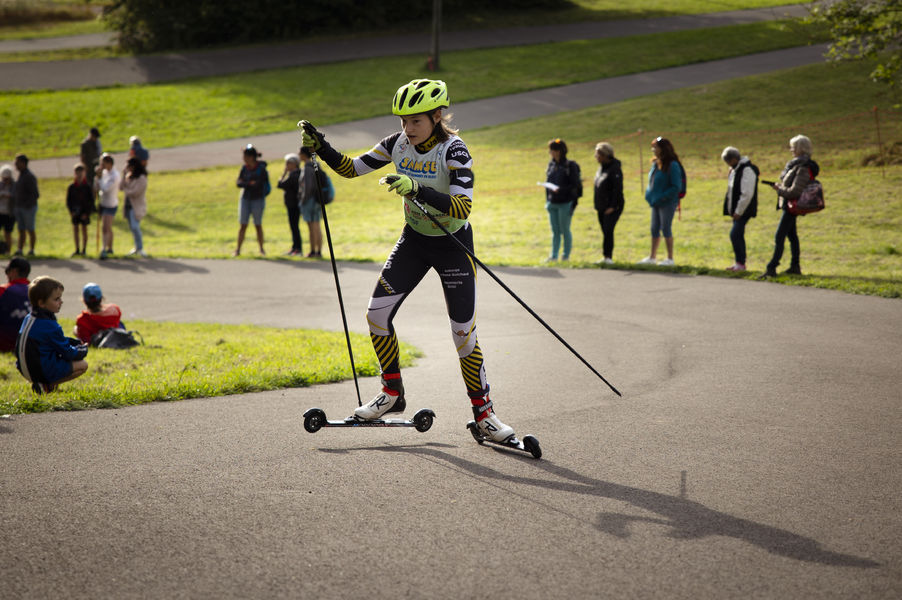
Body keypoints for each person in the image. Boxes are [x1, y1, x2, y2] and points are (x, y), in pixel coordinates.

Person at [298, 78, 519, 444]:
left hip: (452, 244)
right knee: (376, 315)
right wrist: (322, 147)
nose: (407, 129)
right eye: (403, 121)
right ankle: (392, 392)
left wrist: (417, 188)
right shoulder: (397, 144)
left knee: (463, 335)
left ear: (437, 116)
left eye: (416, 121)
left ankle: (484, 415)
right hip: (414, 241)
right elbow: (352, 169)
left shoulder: (455, 151)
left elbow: (463, 207)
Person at [15, 275, 89, 394]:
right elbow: (68, 353)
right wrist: (82, 350)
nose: (61, 302)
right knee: (82, 365)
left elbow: (52, 340)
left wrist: (73, 342)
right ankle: (46, 386)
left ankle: (44, 383)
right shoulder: (50, 326)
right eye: (56, 299)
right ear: (42, 303)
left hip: (24, 368)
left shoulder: (29, 318)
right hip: (38, 370)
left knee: (53, 353)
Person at [761, 135, 818, 278]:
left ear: (800, 148)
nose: (791, 149)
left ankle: (772, 267)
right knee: (792, 236)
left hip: (792, 206)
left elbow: (795, 191)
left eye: (793, 147)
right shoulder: (796, 164)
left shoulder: (802, 167)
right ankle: (795, 266)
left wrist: (778, 189)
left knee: (779, 236)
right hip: (789, 205)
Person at [639, 137, 682, 266]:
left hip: (667, 203)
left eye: (655, 147)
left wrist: (663, 197)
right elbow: (651, 181)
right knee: (654, 228)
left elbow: (676, 186)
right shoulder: (656, 163)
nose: (653, 150)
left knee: (666, 228)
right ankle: (652, 257)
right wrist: (649, 194)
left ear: (663, 149)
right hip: (655, 202)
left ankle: (670, 258)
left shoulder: (673, 165)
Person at [721, 147, 759, 271]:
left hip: (744, 209)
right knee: (738, 234)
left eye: (728, 161)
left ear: (734, 159)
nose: (728, 164)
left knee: (735, 234)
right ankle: (739, 263)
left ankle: (740, 263)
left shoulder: (747, 170)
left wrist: (739, 211)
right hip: (736, 209)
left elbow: (747, 193)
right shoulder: (735, 170)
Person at [543, 138, 580, 262]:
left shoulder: (570, 165)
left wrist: (561, 190)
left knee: (565, 229)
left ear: (559, 151)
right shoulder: (551, 165)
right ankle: (553, 256)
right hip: (552, 203)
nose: (551, 153)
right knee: (555, 231)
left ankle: (566, 256)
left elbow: (575, 184)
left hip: (565, 203)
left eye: (553, 150)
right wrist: (547, 199)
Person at [234, 144, 269, 256]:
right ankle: (238, 249)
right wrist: (249, 183)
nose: (243, 158)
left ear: (251, 157)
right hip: (245, 198)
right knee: (243, 225)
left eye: (245, 156)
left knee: (258, 225)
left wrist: (247, 183)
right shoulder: (244, 168)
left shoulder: (261, 169)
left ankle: (261, 249)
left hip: (257, 199)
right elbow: (238, 183)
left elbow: (258, 184)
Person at [593, 142, 624, 264]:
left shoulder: (614, 169)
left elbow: (617, 189)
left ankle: (608, 257)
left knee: (608, 230)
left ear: (605, 155)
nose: (596, 156)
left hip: (612, 207)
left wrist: (613, 206)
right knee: (605, 231)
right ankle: (605, 256)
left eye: (598, 154)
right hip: (601, 206)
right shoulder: (601, 167)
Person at [0, 256, 30, 352]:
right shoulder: (38, 291)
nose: (7, 275)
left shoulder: (3, 290)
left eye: (7, 271)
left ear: (14, 271)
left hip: (5, 344)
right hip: (30, 344)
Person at [120, 157, 148, 257]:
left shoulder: (142, 178)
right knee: (132, 228)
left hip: (136, 206)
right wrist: (123, 175)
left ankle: (140, 248)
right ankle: (136, 247)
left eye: (129, 166)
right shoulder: (128, 176)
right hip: (128, 206)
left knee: (135, 227)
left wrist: (126, 191)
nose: (129, 168)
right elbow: (120, 187)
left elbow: (135, 192)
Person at [297, 147, 323, 258]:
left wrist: (302, 200)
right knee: (317, 225)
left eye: (300, 153)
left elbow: (307, 187)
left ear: (304, 154)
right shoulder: (316, 165)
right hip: (318, 199)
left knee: (312, 227)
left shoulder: (307, 168)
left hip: (310, 200)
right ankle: (319, 251)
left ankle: (313, 251)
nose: (298, 155)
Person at [13, 154, 39, 257]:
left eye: (17, 162)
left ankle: (32, 249)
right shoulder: (21, 175)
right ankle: (20, 249)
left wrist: (26, 205)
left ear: (23, 163)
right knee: (21, 229)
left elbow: (35, 194)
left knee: (30, 229)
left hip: (28, 208)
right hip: (19, 207)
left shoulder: (29, 176)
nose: (15, 165)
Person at [95, 153, 120, 259]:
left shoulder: (114, 175)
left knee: (105, 227)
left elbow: (105, 188)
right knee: (108, 228)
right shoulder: (105, 172)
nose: (102, 166)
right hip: (103, 203)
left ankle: (104, 249)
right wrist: (98, 177)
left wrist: (99, 178)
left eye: (103, 163)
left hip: (110, 204)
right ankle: (110, 248)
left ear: (109, 163)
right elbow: (96, 185)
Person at [66, 164, 94, 257]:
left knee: (84, 230)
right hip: (75, 211)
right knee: (76, 230)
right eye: (77, 173)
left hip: (84, 211)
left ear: (84, 173)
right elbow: (68, 201)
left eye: (81, 173)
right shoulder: (72, 187)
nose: (79, 175)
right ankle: (77, 249)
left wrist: (87, 213)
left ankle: (84, 249)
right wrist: (71, 211)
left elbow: (91, 201)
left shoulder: (87, 187)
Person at [277, 152, 303, 256]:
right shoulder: (297, 173)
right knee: (294, 226)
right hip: (293, 204)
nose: (286, 166)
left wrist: (283, 174)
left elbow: (280, 184)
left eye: (288, 163)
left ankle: (297, 248)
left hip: (294, 205)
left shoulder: (294, 175)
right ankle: (295, 247)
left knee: (294, 226)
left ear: (294, 164)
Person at [0, 164, 14, 254]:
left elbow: (16, 196)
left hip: (9, 213)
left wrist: (9, 195)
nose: (5, 180)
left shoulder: (14, 185)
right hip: (0, 212)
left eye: (7, 178)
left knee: (8, 233)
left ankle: (8, 251)